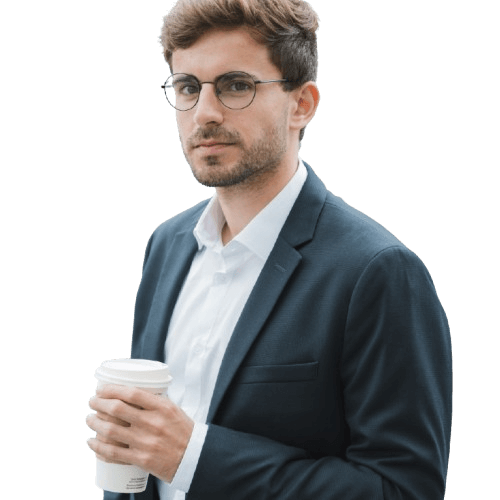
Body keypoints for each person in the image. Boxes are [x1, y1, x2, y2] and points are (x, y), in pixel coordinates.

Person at [86, 1, 452, 499]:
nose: (204, 113)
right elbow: (140, 449)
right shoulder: (167, 244)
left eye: (236, 85)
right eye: (188, 87)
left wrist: (192, 457)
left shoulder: (378, 271)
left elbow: (403, 489)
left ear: (302, 104)